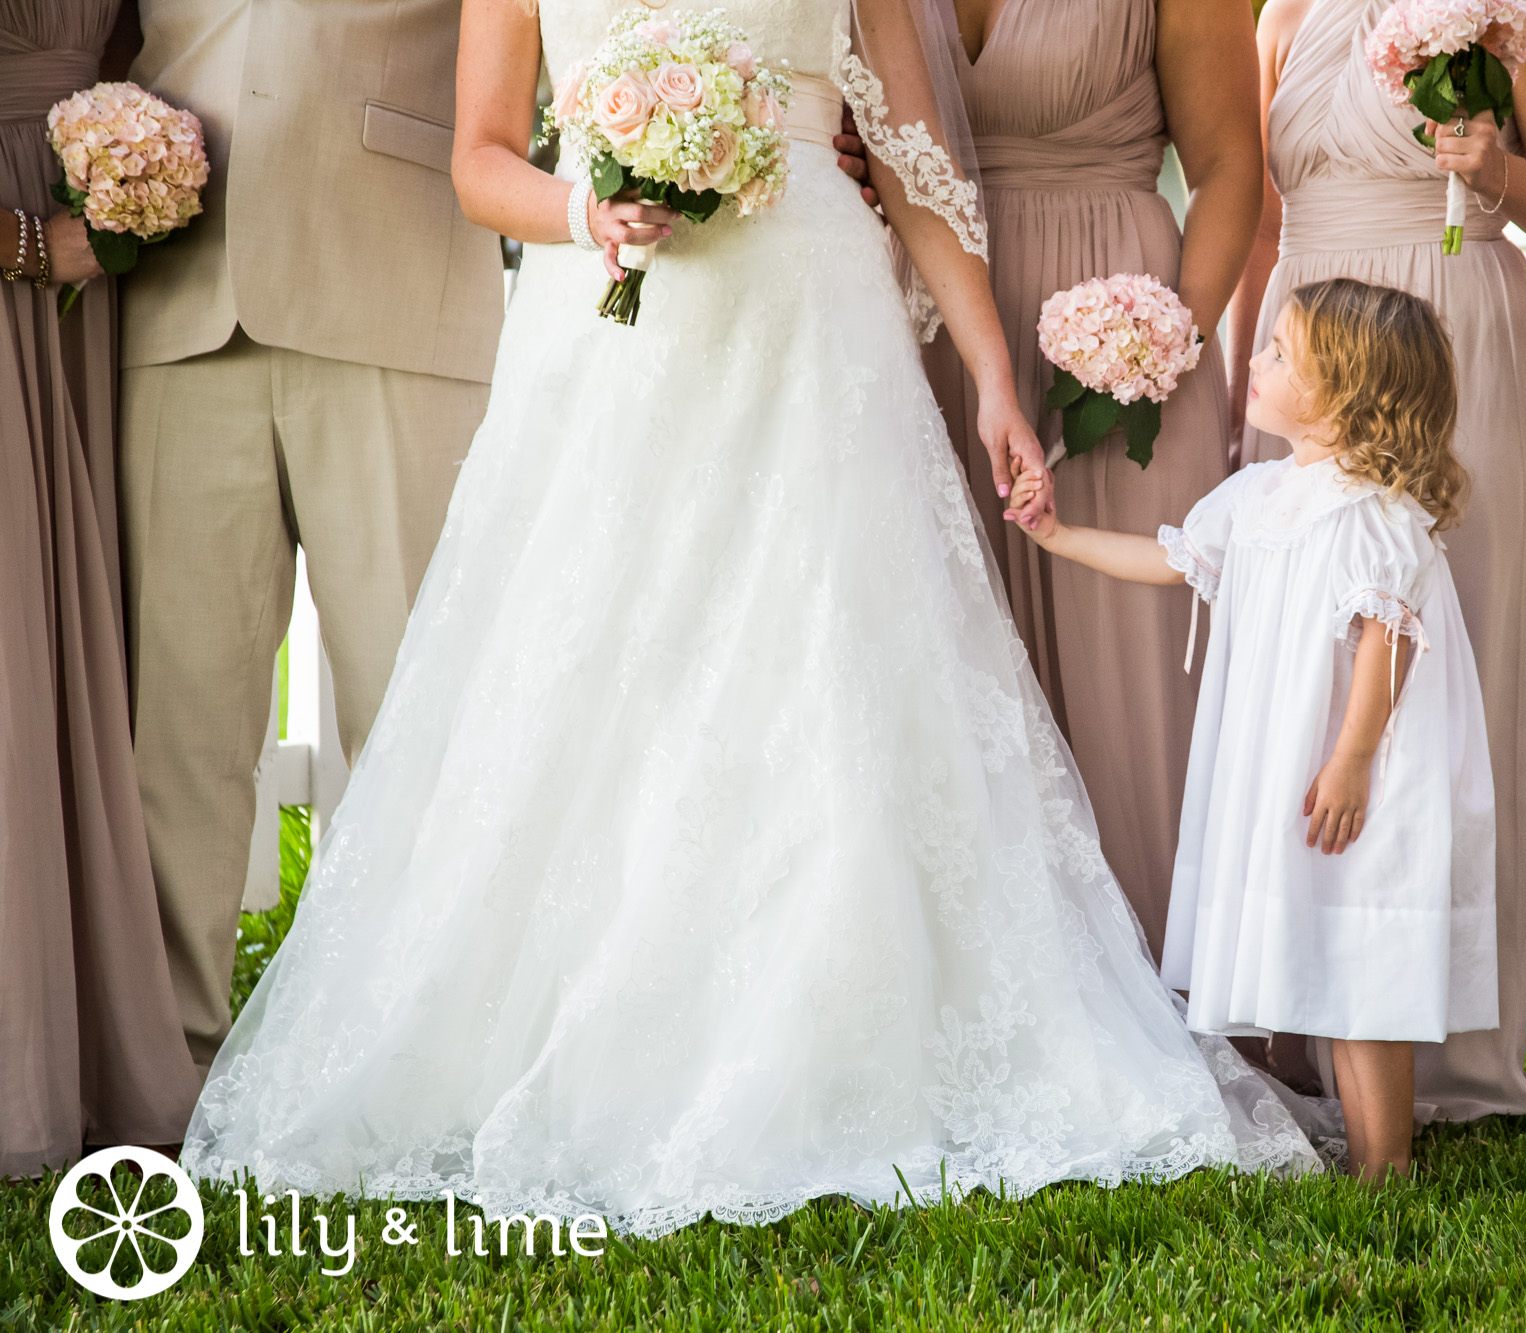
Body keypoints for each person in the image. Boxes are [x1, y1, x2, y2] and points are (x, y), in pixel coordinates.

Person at [179, 0, 1317, 1227]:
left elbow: (913, 163)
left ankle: (833, 1019)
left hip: (814, 336)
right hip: (610, 346)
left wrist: (989, 371)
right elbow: (479, 161)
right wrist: (583, 211)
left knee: (826, 678)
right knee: (603, 684)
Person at [1007, 278, 1498, 1182]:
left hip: (1359, 771)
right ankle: (1368, 1154)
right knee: (1332, 958)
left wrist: (1352, 760)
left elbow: (1388, 639)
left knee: (1365, 968)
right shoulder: (1261, 492)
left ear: (1346, 394)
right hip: (1287, 765)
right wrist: (1059, 537)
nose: (1257, 363)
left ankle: (1387, 1167)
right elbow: (1171, 558)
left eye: (1279, 353)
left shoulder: (1375, 514)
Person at [1227, 0, 1526, 1119]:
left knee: (1459, 659)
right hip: (1306, 340)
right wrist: (1239, 377)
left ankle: (1450, 1032)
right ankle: (1315, 1010)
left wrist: (1494, 170)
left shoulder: (1520, 8)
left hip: (1450, 331)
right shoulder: (1282, 10)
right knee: (1310, 673)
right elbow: (1261, 216)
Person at [118, 0, 504, 1076]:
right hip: (178, 298)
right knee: (176, 729)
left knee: (417, 710)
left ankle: (431, 1064)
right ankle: (167, 1059)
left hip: (397, 285)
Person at [920, 0, 1264, 957]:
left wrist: (1166, 342)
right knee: (962, 661)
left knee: (1141, 677)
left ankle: (1172, 980)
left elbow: (1233, 170)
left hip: (1121, 336)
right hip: (940, 320)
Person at [0, 0, 201, 1177]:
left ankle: (71, 1038)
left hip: (86, 269)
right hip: (30, 246)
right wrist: (31, 243)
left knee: (73, 634)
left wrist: (131, 173)